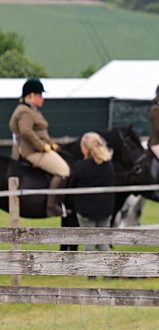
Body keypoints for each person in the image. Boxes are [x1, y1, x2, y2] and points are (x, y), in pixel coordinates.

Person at [8, 78, 71, 216]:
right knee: (63, 170)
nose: (42, 98)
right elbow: (26, 132)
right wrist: (43, 146)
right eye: (39, 95)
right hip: (32, 151)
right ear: (30, 95)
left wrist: (50, 144)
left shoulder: (31, 110)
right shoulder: (25, 112)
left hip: (40, 148)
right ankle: (51, 206)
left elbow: (39, 132)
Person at [69, 133, 118, 248]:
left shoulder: (81, 166)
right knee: (103, 243)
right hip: (105, 209)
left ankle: (89, 265)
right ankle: (111, 265)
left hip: (86, 210)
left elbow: (72, 184)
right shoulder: (109, 165)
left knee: (89, 244)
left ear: (86, 149)